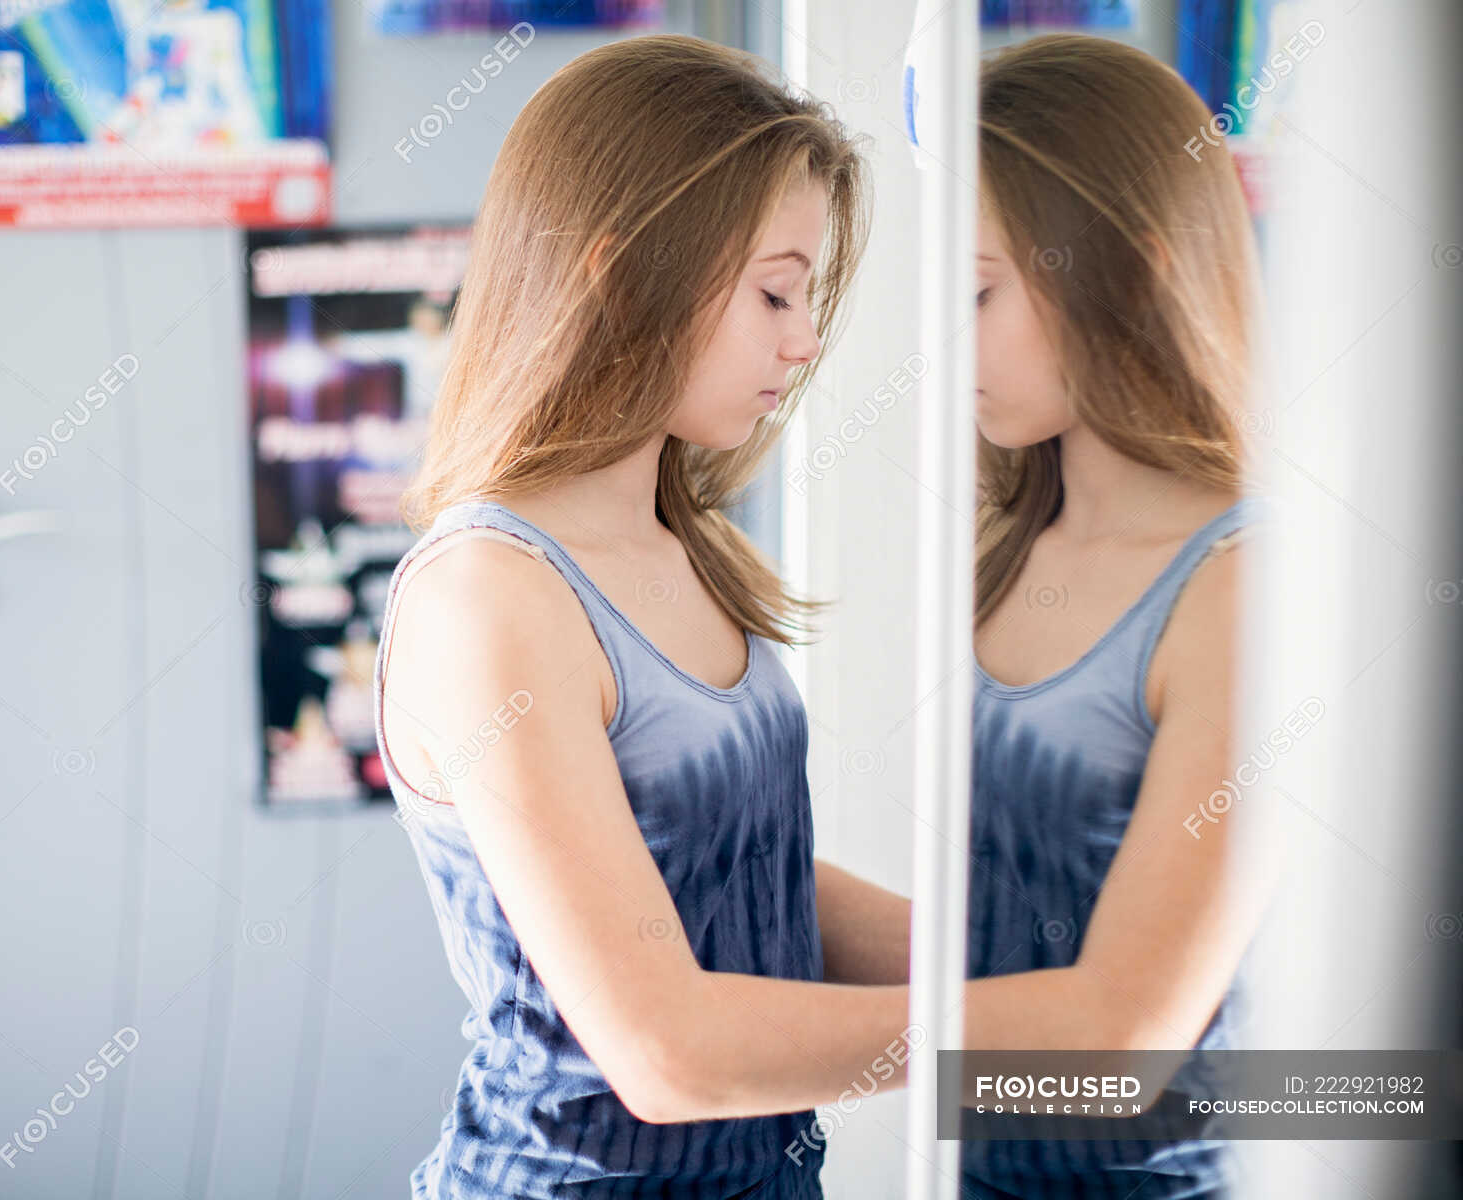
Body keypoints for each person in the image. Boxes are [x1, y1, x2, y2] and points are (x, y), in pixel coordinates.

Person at [371, 33, 911, 1199]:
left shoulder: (684, 547)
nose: (804, 339)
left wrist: (1048, 962)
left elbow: (735, 868)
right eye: (775, 290)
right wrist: (1035, 1049)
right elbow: (666, 1056)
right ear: (624, 272)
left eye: (805, 295)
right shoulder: (492, 596)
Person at [964, 33, 1275, 1199]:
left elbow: (1123, 1041)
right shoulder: (998, 555)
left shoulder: (1244, 589)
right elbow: (992, 932)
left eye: (980, 293)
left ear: (1128, 270)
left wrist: (728, 1048)